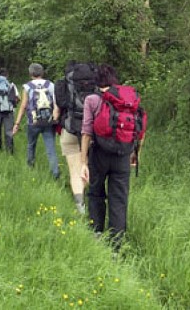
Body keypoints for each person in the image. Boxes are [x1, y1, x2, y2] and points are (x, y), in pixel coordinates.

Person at [79, 64, 145, 250]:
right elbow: (140, 128)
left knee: (96, 193)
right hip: (123, 155)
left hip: (99, 153)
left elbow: (86, 132)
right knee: (119, 198)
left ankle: (97, 233)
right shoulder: (128, 99)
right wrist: (135, 154)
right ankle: (116, 244)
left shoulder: (92, 99)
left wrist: (83, 161)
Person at [54, 61, 98, 215]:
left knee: (74, 171)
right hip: (92, 131)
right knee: (89, 167)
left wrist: (56, 121)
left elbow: (57, 110)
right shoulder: (96, 82)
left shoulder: (64, 84)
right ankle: (93, 200)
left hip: (70, 130)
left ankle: (80, 207)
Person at [13, 63, 61, 180]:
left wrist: (17, 123)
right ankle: (55, 173)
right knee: (51, 149)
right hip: (48, 122)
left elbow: (24, 105)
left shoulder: (27, 86)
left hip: (33, 121)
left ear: (30, 74)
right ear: (42, 72)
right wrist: (55, 119)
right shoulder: (50, 85)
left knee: (31, 145)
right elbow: (56, 105)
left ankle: (30, 167)